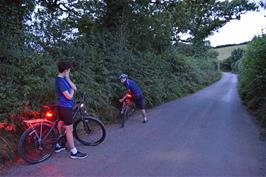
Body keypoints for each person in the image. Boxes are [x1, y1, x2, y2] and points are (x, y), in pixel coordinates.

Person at [55, 61, 88, 159]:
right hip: (65, 107)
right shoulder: (60, 81)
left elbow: (75, 87)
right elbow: (69, 96)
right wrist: (72, 91)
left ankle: (58, 145)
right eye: (68, 70)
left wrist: (68, 78)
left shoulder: (64, 79)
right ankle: (74, 152)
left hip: (64, 106)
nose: (69, 71)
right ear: (65, 70)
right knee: (69, 129)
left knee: (60, 124)